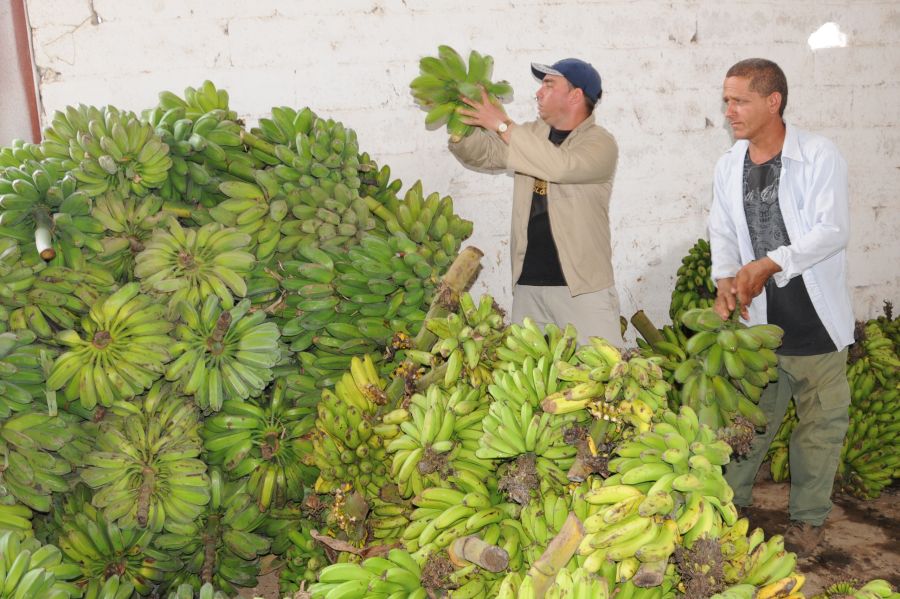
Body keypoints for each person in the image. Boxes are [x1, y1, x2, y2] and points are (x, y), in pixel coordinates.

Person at [709, 58, 854, 556]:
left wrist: (770, 263)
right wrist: (726, 278)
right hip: (758, 327)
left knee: (819, 430)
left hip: (814, 321)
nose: (730, 110)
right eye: (726, 100)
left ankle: (808, 521)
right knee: (748, 424)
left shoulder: (818, 155)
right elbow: (722, 231)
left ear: (773, 101)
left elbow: (831, 231)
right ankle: (728, 506)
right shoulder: (730, 164)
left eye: (740, 100)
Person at [448, 58, 621, 344]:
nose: (539, 92)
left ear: (575, 95)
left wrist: (502, 124)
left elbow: (560, 167)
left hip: (582, 290)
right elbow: (484, 154)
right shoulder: (530, 135)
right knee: (530, 385)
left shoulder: (601, 144)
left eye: (549, 85)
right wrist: (462, 126)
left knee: (600, 380)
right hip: (528, 287)